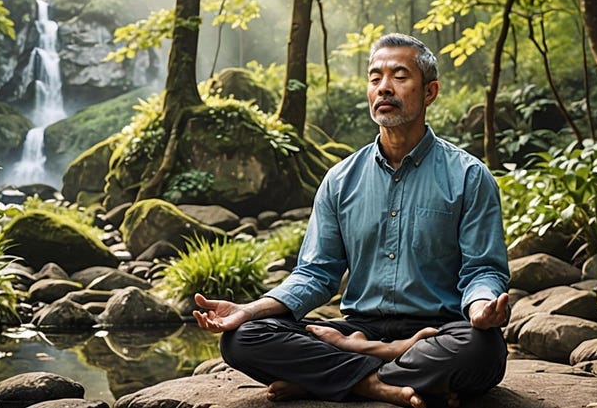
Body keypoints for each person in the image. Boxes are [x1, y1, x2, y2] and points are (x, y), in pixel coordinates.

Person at [193, 33, 510, 408]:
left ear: (430, 92)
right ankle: (376, 380)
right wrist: (248, 310)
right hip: (359, 326)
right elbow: (315, 273)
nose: (384, 88)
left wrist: (480, 309)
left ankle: (328, 377)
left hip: (436, 330)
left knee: (482, 351)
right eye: (375, 78)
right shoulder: (341, 179)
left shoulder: (468, 176)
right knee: (243, 338)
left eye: (399, 76)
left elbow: (483, 270)